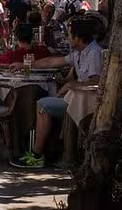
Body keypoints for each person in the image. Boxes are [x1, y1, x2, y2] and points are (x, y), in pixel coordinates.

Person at [10, 17, 102, 168]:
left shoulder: (94, 53)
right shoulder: (79, 52)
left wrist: (72, 84)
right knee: (44, 103)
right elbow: (51, 62)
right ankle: (44, 150)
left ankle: (37, 155)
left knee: (43, 105)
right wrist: (26, 65)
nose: (67, 37)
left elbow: (96, 81)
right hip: (75, 98)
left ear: (78, 37)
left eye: (69, 34)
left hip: (86, 102)